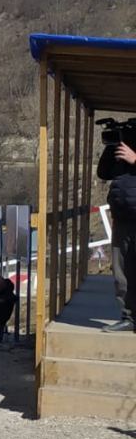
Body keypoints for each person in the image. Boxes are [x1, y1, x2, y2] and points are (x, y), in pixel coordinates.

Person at [95, 128, 136, 333]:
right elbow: (103, 173)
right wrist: (111, 148)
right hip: (122, 218)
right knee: (122, 273)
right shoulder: (120, 154)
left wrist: (135, 159)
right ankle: (128, 317)